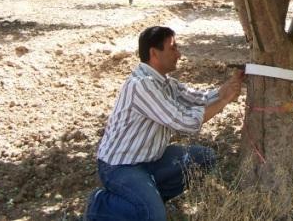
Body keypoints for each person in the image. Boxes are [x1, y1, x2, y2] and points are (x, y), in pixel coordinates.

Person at [85, 26, 243, 220]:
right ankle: (100, 204)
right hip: (121, 166)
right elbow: (183, 122)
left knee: (204, 158)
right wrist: (224, 101)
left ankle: (146, 200)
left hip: (152, 160)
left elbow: (198, 98)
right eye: (173, 48)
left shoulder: (166, 83)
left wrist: (224, 91)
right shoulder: (142, 85)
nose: (179, 54)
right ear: (154, 53)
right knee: (154, 216)